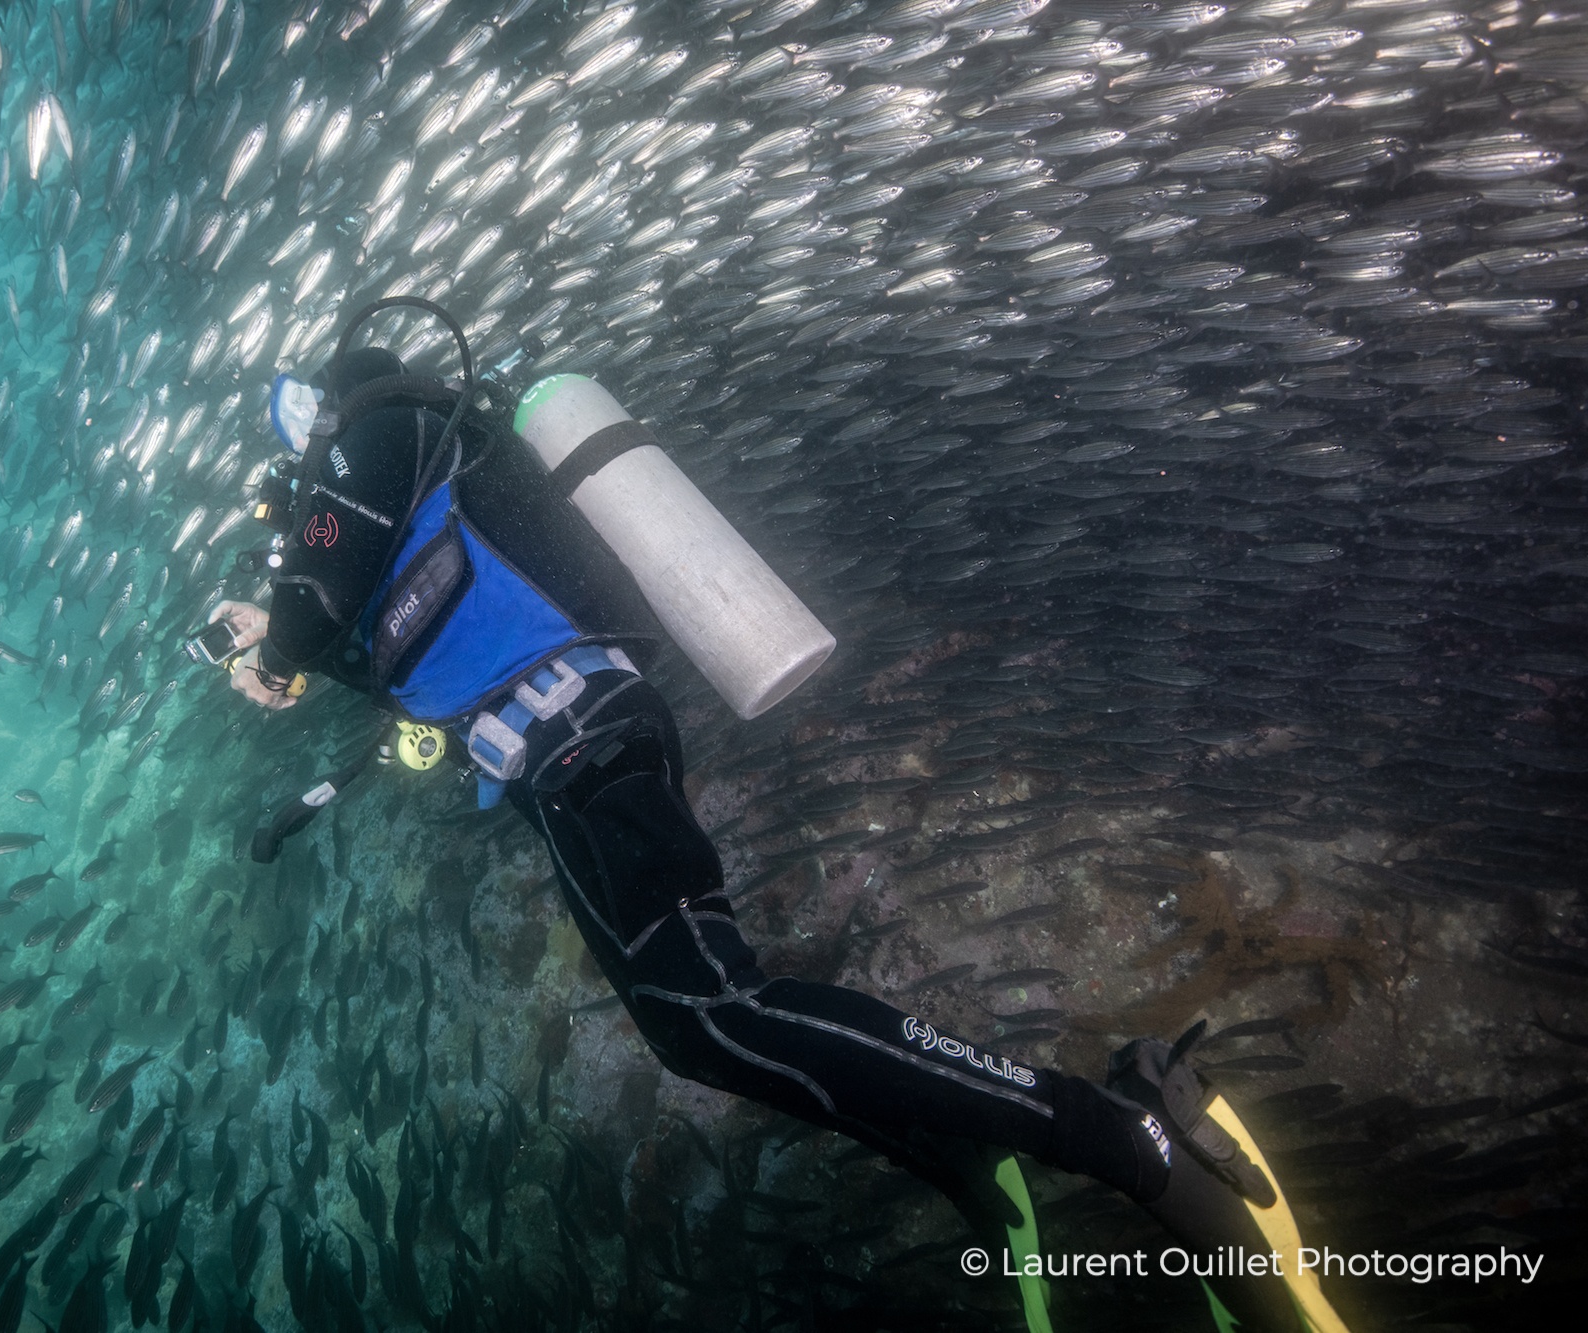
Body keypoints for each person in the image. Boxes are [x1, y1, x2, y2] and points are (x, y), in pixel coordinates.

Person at [209, 337, 1338, 1333]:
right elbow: (383, 644)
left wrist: (278, 627)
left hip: (585, 733)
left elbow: (317, 596)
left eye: (294, 491)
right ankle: (950, 1137)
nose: (291, 509)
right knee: (691, 1030)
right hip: (565, 757)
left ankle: (1112, 1131)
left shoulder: (378, 424)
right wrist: (291, 644)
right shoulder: (400, 504)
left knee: (713, 1006)